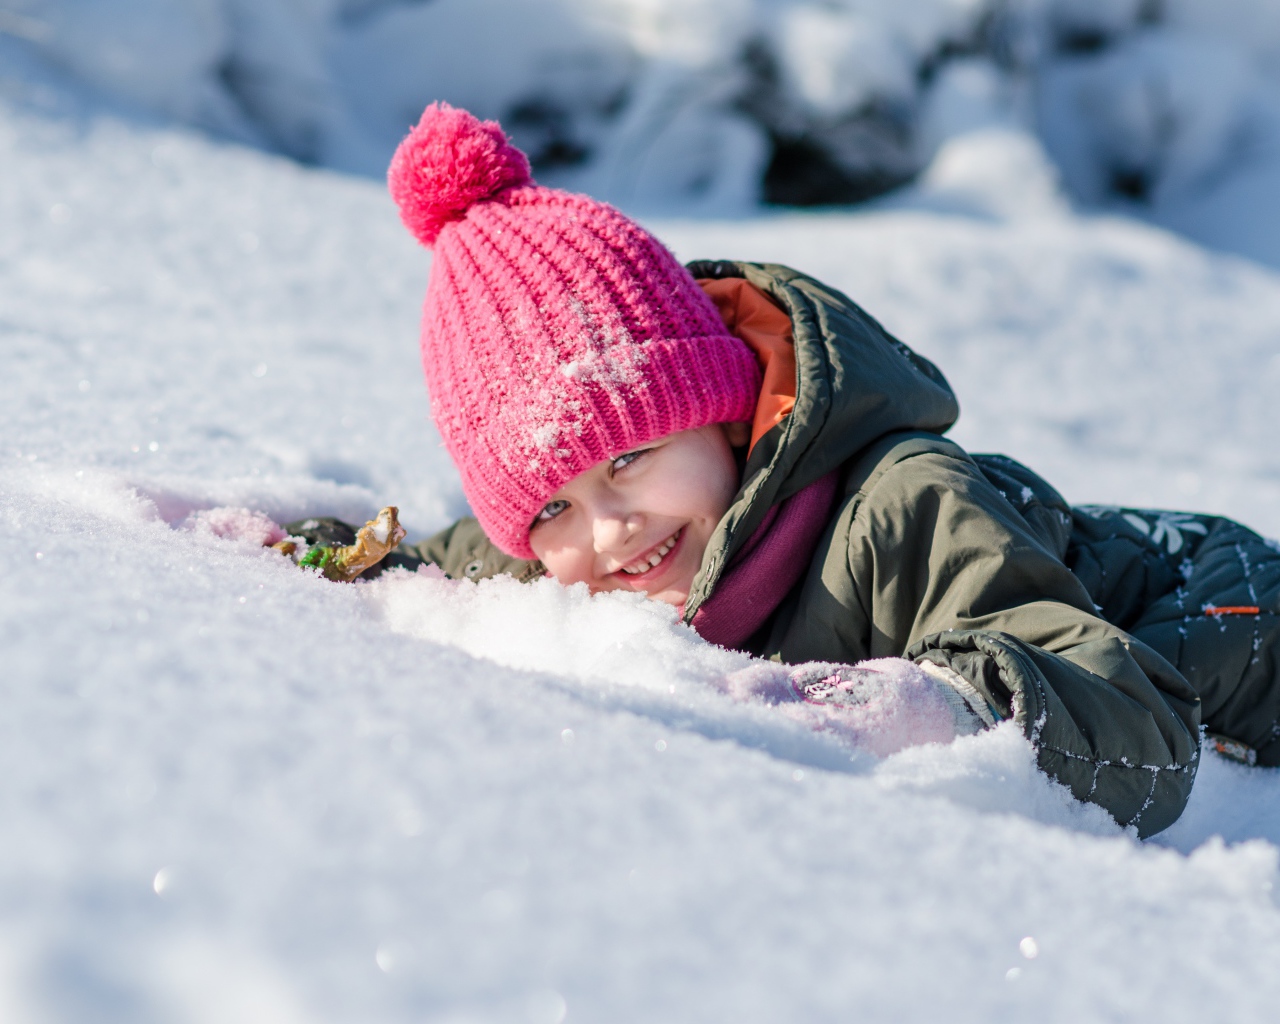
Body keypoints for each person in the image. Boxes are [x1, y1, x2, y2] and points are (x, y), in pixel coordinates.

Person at [290, 102, 1280, 837]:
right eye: (551, 505)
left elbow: (1136, 724)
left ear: (724, 418)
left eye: (631, 457)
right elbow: (456, 560)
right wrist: (332, 553)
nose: (608, 527)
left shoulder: (903, 508)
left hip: (1220, 613)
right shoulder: (566, 557)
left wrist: (941, 704)